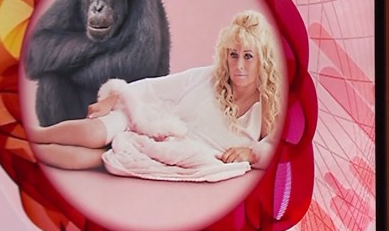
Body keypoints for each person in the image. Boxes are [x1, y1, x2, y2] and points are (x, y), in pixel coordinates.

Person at [28, 10, 282, 181]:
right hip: (155, 119)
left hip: (178, 151)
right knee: (95, 132)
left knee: (101, 158)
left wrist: (251, 154)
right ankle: (32, 134)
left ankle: (23, 150)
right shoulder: (209, 77)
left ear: (263, 60)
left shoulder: (269, 105)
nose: (239, 65)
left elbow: (279, 148)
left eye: (248, 56)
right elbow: (154, 88)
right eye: (233, 55)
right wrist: (113, 98)